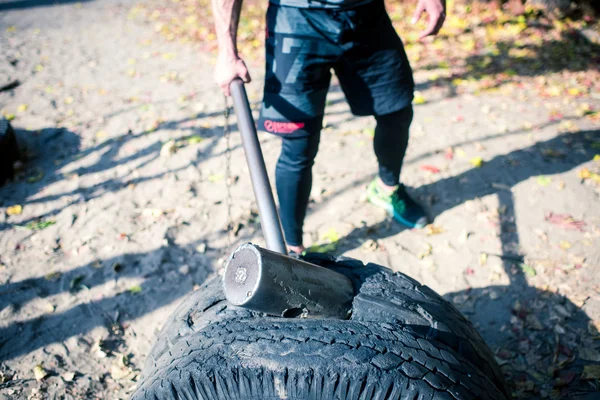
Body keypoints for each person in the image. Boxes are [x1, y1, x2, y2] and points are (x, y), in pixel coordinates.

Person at [212, 0, 446, 253]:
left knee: (397, 111)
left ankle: (387, 189)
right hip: (295, 19)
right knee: (298, 144)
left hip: (366, 13)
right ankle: (294, 249)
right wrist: (227, 50)